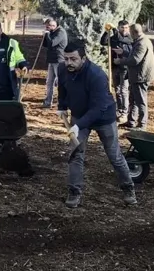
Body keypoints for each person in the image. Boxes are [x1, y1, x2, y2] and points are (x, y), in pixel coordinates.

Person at [57, 42, 138, 209]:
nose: (69, 63)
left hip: (103, 118)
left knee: (114, 156)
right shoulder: (62, 69)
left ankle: (128, 189)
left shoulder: (96, 75)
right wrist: (62, 106)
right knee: (75, 155)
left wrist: (78, 125)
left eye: (73, 59)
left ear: (84, 58)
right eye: (66, 59)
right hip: (79, 116)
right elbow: (63, 89)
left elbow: (98, 107)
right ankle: (74, 191)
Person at [125, 24, 154, 129]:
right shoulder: (141, 40)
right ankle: (131, 121)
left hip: (141, 76)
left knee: (141, 101)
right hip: (137, 75)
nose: (129, 35)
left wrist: (120, 61)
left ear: (134, 33)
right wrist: (124, 52)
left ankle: (142, 124)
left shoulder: (142, 43)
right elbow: (135, 55)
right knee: (134, 99)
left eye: (130, 33)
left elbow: (135, 60)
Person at [99, 20, 132, 118]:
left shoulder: (130, 38)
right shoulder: (114, 38)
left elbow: (121, 39)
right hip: (115, 67)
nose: (124, 29)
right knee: (117, 90)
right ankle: (119, 110)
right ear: (119, 27)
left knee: (124, 90)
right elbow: (103, 42)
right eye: (122, 27)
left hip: (125, 67)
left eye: (126, 27)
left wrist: (114, 30)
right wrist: (106, 31)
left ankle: (125, 112)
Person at [40, 17, 68, 110]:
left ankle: (62, 103)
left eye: (50, 26)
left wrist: (47, 34)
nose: (49, 28)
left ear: (54, 25)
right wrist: (45, 35)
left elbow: (52, 43)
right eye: (47, 26)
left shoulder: (61, 32)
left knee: (60, 82)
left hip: (59, 60)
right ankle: (48, 102)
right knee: (49, 82)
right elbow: (45, 44)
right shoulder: (51, 32)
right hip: (51, 60)